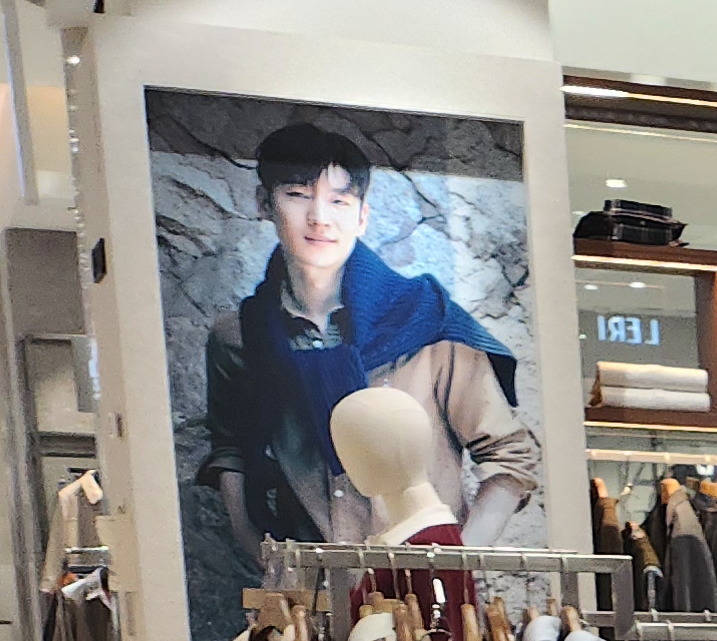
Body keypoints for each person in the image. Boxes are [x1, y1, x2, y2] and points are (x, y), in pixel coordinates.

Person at [201, 118, 539, 562]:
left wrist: (457, 562)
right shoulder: (240, 337)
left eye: (339, 200)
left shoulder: (426, 322)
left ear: (362, 217)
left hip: (421, 585)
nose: (319, 217)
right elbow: (231, 448)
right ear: (264, 203)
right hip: (312, 587)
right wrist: (253, 543)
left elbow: (510, 456)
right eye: (298, 194)